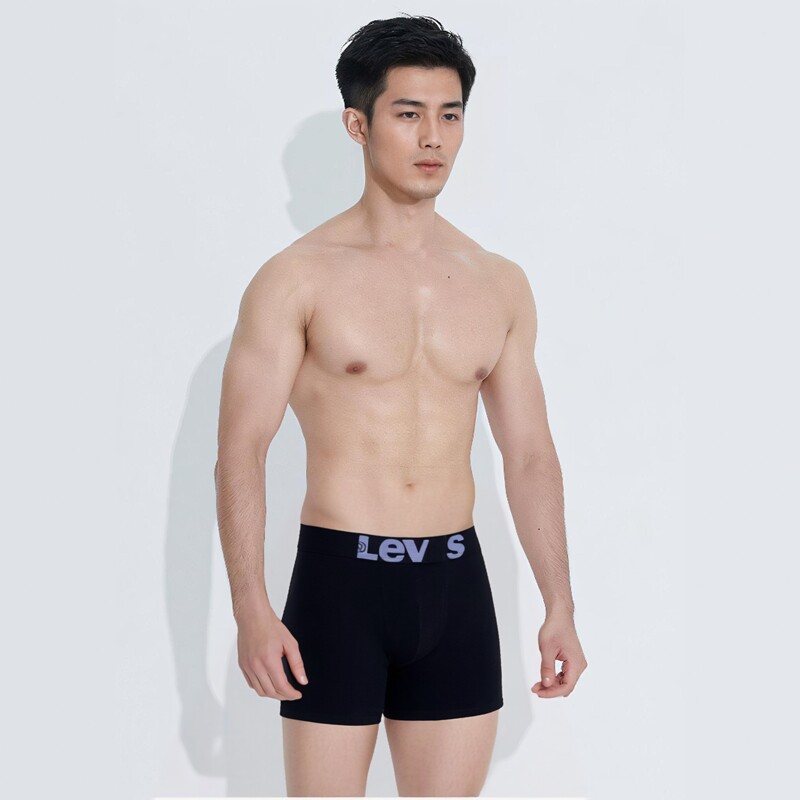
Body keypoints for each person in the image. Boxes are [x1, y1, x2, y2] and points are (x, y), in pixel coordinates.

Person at [214, 13, 588, 797]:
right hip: (339, 587)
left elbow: (529, 455)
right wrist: (251, 606)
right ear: (358, 125)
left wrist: (560, 603)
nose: (433, 138)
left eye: (450, 115)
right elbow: (242, 448)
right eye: (408, 113)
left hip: (456, 586)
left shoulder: (498, 282)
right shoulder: (296, 278)